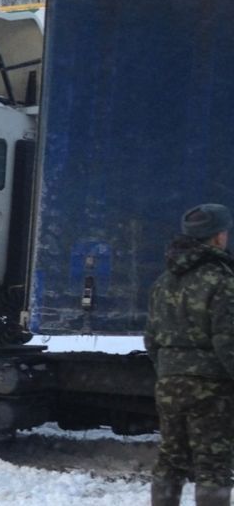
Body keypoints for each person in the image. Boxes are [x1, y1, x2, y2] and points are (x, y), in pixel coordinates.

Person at [145, 203, 234, 506]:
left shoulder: (163, 282)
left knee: (170, 459)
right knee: (213, 464)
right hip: (211, 386)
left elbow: (151, 339)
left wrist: (170, 370)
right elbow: (227, 341)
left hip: (169, 383)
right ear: (218, 237)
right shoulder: (223, 281)